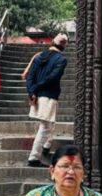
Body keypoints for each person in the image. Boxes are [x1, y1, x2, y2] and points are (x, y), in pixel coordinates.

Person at [26, 33, 68, 167]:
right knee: (45, 126)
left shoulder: (39, 56)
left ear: (52, 42)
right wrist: (36, 88)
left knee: (49, 123)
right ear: (63, 46)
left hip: (37, 95)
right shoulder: (61, 59)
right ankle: (34, 157)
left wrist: (32, 91)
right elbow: (53, 77)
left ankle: (46, 146)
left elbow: (30, 76)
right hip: (49, 95)